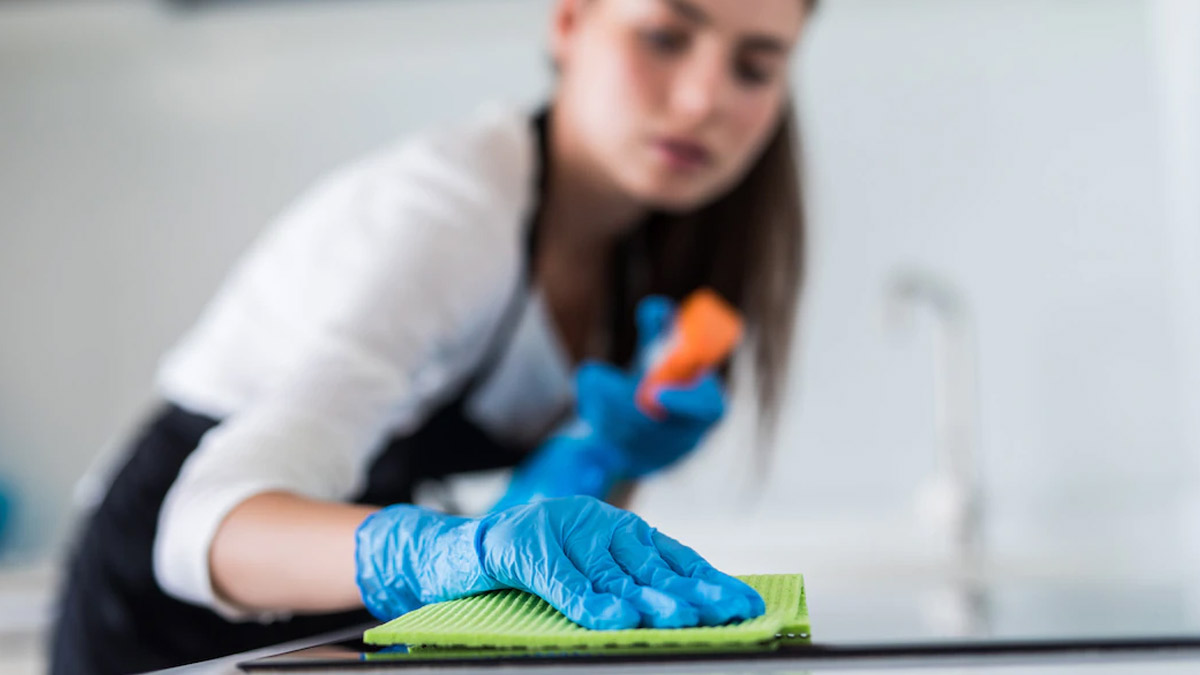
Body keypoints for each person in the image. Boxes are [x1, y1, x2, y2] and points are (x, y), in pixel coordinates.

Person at [51, 0, 814, 672]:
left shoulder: (649, 258)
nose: (703, 98)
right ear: (569, 20)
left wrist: (597, 459)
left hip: (345, 612)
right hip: (168, 611)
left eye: (753, 67)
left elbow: (518, 551)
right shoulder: (447, 213)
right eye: (664, 35)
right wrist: (454, 550)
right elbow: (199, 531)